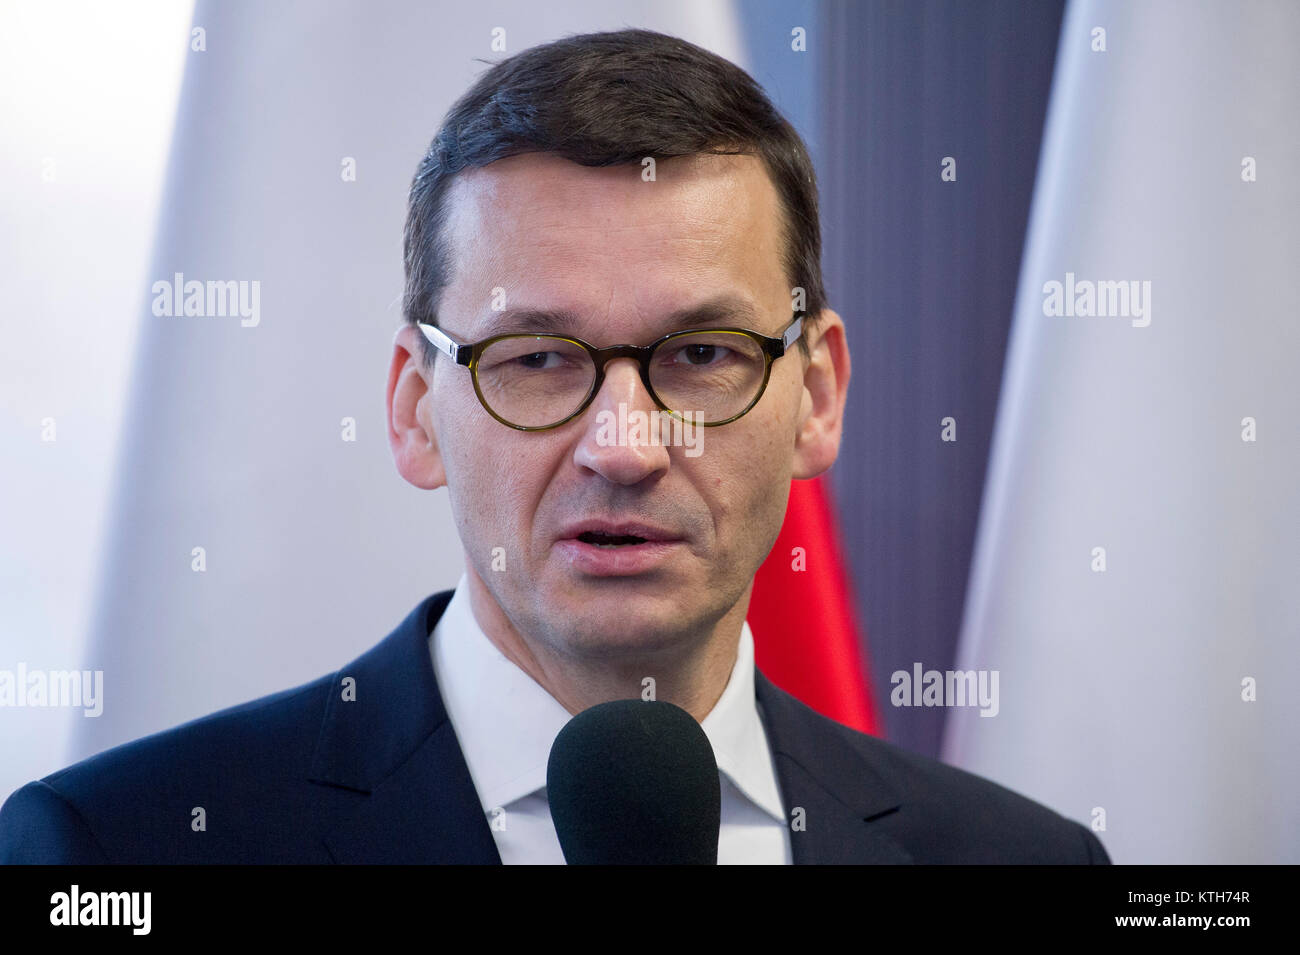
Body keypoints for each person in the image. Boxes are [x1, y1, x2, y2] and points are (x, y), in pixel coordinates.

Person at [0, 27, 1109, 864]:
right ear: (413, 406)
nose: (624, 447)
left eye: (702, 355)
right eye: (535, 358)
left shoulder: (1024, 862)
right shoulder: (117, 849)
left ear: (815, 394)